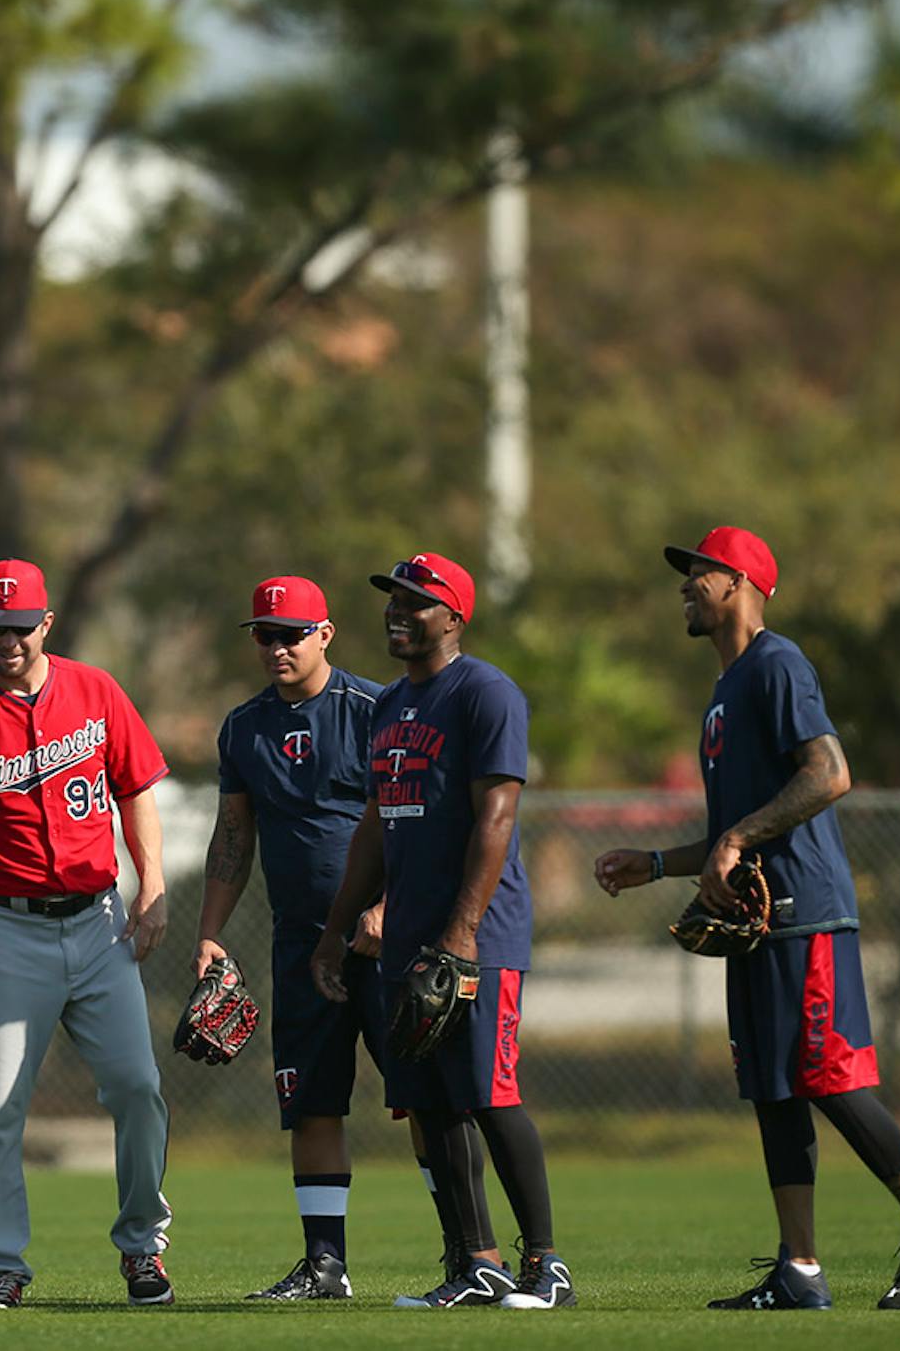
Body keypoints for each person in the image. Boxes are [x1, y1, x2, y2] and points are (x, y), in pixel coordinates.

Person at [593, 526, 900, 1312]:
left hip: (805, 913)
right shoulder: (724, 692)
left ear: (738, 581)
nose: (685, 585)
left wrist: (736, 838)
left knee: (828, 1080)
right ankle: (800, 1267)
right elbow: (739, 826)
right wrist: (662, 862)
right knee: (774, 1091)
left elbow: (830, 771)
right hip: (758, 920)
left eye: (697, 571)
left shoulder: (777, 664)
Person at [312, 552, 574, 1312]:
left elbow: (496, 816)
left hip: (477, 938)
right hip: (406, 941)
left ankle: (547, 1265)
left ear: (455, 615)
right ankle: (478, 1263)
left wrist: (462, 929)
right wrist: (333, 933)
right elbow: (373, 828)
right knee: (430, 1103)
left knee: (490, 1096)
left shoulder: (484, 692)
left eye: (416, 600)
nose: (398, 610)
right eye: (393, 598)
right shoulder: (391, 702)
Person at [0, 558, 174, 1310]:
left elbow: (134, 789)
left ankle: (142, 1245)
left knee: (138, 1087)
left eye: (19, 625)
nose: (6, 640)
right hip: (6, 926)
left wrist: (154, 885)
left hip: (100, 920)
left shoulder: (95, 689)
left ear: (46, 623)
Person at [193, 575, 388, 1301]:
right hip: (302, 941)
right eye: (265, 634)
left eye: (292, 633)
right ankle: (325, 1264)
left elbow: (413, 817)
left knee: (424, 1099)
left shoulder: (374, 708)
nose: (277, 646)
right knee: (311, 1102)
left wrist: (390, 906)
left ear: (325, 633)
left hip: (380, 937)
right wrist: (210, 932)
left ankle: (469, 1256)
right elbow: (234, 835)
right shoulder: (244, 726)